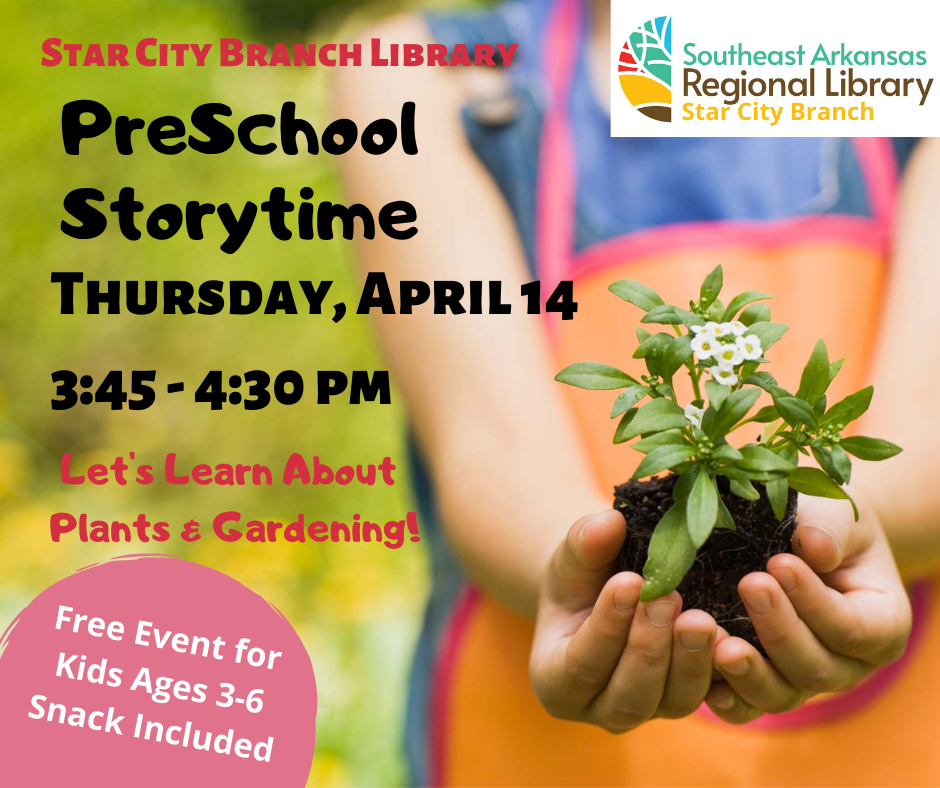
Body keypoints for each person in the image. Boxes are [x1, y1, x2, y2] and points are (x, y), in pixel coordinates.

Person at [335, 0, 936, 784]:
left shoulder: (903, 53)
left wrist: (841, 525)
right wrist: (605, 582)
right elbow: (488, 449)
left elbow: (925, 431)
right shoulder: (429, 74)